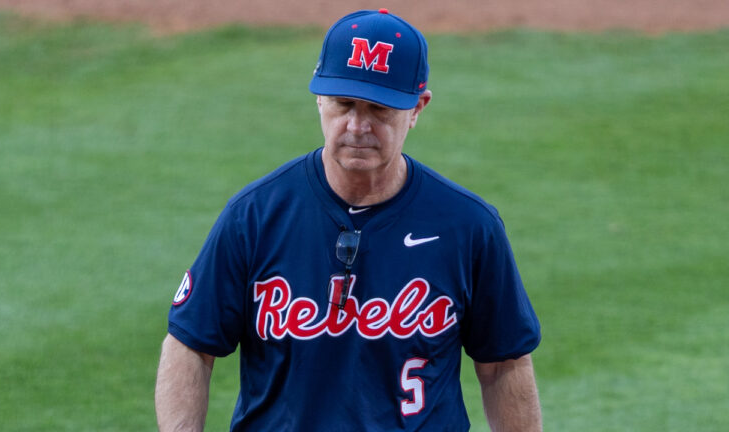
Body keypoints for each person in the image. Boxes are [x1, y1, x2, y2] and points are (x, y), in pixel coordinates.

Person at [155, 8, 542, 432]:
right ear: (319, 97)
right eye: (343, 104)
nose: (357, 126)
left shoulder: (469, 226)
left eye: (379, 109)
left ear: (417, 107)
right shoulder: (254, 216)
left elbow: (503, 365)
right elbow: (190, 346)